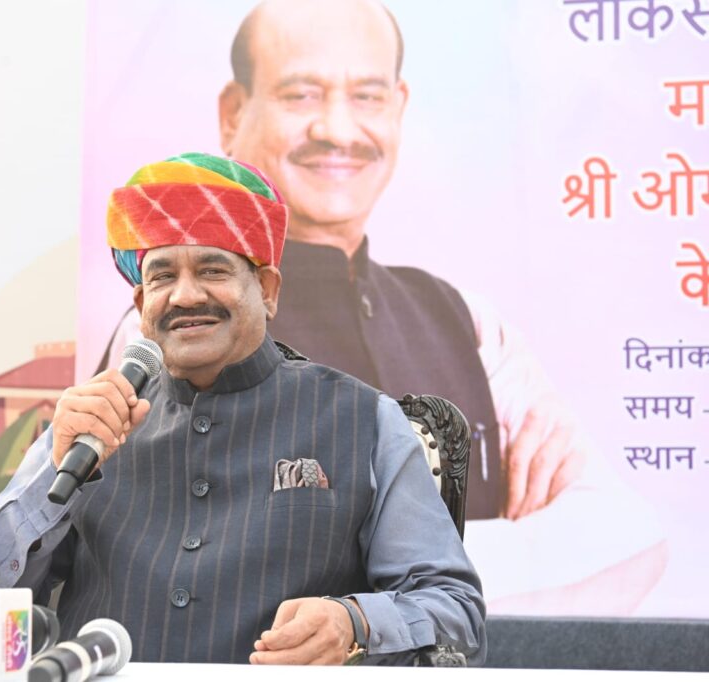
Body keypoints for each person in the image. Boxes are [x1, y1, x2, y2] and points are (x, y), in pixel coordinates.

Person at [96, 0, 666, 613]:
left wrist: (390, 577)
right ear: (233, 113)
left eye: (367, 97)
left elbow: (626, 536)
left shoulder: (464, 322)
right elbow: (182, 555)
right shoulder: (180, 323)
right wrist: (503, 550)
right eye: (301, 95)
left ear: (398, 107)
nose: (338, 130)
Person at [0, 153, 486, 666]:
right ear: (142, 305)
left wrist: (355, 622)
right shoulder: (91, 427)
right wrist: (50, 475)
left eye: (212, 270)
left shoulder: (366, 421)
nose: (185, 296)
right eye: (162, 276)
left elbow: (457, 615)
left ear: (267, 290)